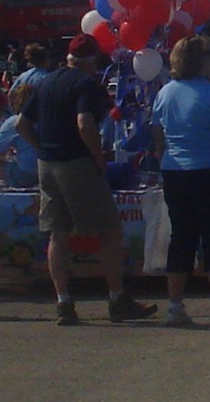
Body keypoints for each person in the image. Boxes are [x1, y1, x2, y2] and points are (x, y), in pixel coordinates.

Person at [23, 35, 154, 326]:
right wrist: (97, 156)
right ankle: (117, 298)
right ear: (93, 59)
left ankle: (64, 302)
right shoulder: (87, 85)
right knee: (108, 229)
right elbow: (84, 122)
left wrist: (41, 146)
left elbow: (22, 123)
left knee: (58, 232)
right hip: (76, 163)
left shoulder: (45, 82)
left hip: (48, 163)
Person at [146, 36, 210, 328]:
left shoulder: (165, 93)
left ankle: (175, 306)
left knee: (182, 237)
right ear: (200, 60)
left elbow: (157, 133)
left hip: (176, 172)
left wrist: (166, 158)